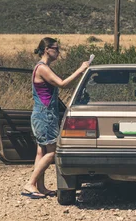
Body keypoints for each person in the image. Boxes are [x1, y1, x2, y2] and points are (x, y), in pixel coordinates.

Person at [22, 37, 90, 199]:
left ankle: (40, 187)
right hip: (45, 115)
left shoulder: (42, 67)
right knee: (53, 152)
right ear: (47, 49)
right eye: (56, 48)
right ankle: (30, 184)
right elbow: (62, 83)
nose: (58, 52)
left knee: (42, 151)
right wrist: (81, 70)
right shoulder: (42, 68)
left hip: (42, 114)